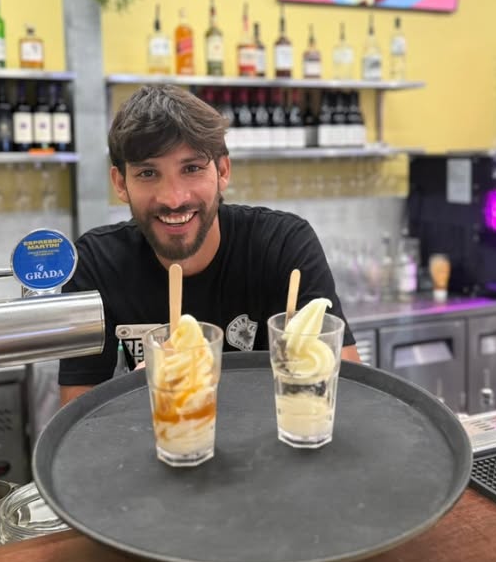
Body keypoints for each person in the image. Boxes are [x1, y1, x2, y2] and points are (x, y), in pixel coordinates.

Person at [58, 84, 360, 405]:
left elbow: (349, 391)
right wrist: (136, 394)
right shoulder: (95, 264)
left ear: (223, 171)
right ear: (120, 183)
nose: (174, 198)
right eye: (148, 173)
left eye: (192, 169)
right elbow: (78, 415)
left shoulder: (283, 245)